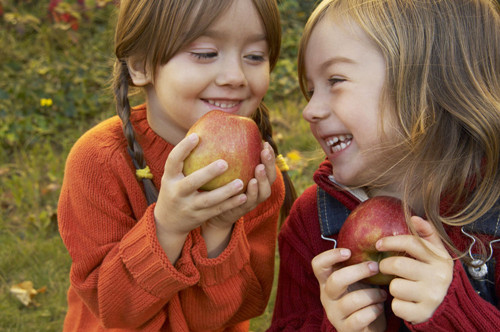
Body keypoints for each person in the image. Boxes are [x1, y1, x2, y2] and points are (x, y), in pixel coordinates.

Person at [57, 0, 296, 330]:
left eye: (254, 56)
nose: (235, 76)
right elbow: (115, 311)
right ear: (141, 65)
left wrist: (219, 230)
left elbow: (238, 310)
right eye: (205, 53)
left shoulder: (257, 179)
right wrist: (166, 227)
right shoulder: (99, 161)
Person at [268, 0, 500, 331]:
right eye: (309, 90)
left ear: (431, 82)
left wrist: (454, 312)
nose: (310, 110)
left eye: (335, 80)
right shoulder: (312, 226)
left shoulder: (493, 218)